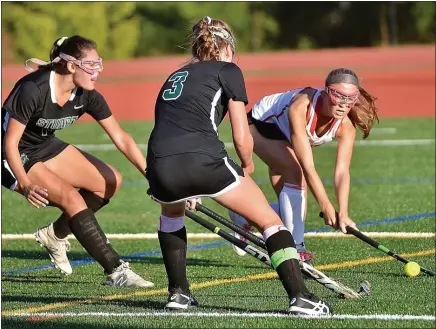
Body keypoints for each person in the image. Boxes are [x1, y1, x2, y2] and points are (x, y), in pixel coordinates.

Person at [145, 16, 331, 316]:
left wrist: (186, 183)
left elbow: (169, 125)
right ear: (228, 47)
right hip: (202, 158)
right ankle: (301, 297)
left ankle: (178, 294)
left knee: (171, 216)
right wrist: (246, 164)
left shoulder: (175, 76)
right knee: (271, 222)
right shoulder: (228, 70)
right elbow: (241, 133)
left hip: (158, 162)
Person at [1, 35, 153, 288]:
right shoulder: (33, 89)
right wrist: (25, 184)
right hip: (9, 151)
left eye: (99, 64)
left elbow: (121, 137)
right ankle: (116, 271)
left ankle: (55, 234)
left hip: (42, 144)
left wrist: (153, 175)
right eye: (91, 65)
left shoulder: (87, 95)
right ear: (72, 66)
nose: (97, 72)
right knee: (72, 198)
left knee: (110, 181)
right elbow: (10, 143)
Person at [229, 68, 379, 262]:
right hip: (261, 125)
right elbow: (307, 167)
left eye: (350, 98)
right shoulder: (301, 107)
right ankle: (297, 250)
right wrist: (325, 205)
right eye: (338, 96)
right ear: (326, 92)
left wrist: (343, 212)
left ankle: (241, 216)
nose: (343, 105)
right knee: (296, 174)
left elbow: (342, 172)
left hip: (286, 140)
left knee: (291, 215)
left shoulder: (346, 125)